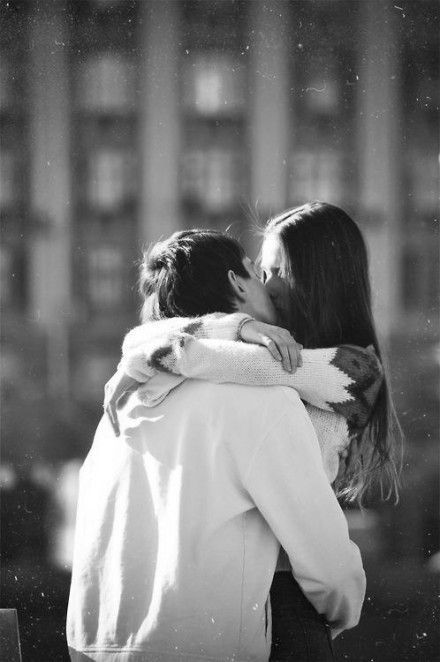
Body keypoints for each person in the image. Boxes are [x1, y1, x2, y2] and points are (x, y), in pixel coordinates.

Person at [104, 203, 402, 660]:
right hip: (242, 598)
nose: (268, 283)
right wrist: (230, 329)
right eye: (262, 271)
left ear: (320, 276)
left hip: (289, 595)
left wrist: (152, 355)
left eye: (280, 270)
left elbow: (212, 357)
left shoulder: (352, 369)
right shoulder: (263, 359)